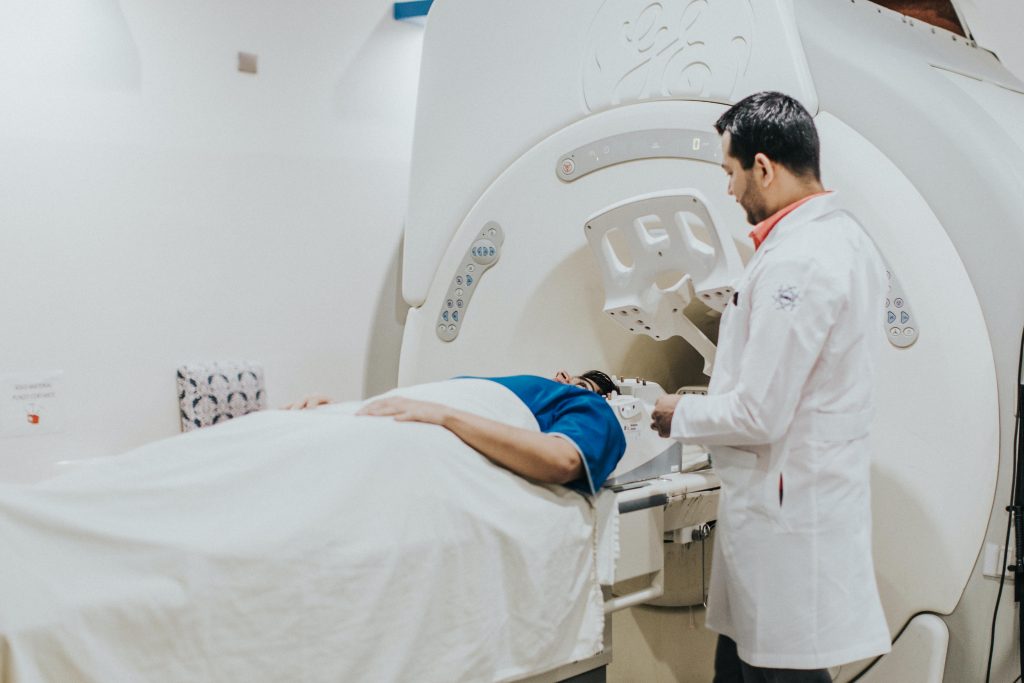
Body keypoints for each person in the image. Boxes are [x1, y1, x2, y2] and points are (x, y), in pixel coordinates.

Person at [650, 92, 891, 682]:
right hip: (781, 503)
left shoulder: (801, 261)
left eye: (730, 172)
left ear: (763, 167)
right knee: (739, 668)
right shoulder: (836, 240)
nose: (729, 190)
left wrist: (673, 413)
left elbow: (760, 413)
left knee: (781, 670)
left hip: (788, 517)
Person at [287, 370, 625, 495]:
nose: (565, 381)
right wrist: (339, 410)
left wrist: (445, 415)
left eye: (582, 385)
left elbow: (562, 460)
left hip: (418, 431)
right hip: (363, 417)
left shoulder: (592, 406)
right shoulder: (484, 386)